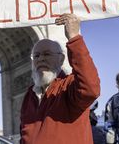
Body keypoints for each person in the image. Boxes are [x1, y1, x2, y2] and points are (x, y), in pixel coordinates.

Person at [19, 13, 101, 144]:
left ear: (61, 59)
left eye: (47, 54)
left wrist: (74, 38)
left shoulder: (70, 86)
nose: (41, 59)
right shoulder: (29, 95)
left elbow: (90, 88)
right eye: (37, 56)